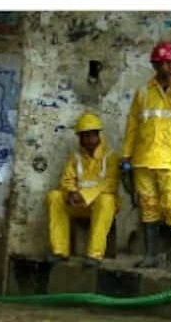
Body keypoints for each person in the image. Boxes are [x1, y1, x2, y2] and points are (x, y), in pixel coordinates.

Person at [121, 41, 171, 273]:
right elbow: (133, 126)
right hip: (144, 158)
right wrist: (126, 156)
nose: (170, 67)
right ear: (155, 65)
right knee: (148, 206)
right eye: (165, 63)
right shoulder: (143, 93)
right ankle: (150, 255)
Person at [46, 112, 121, 268]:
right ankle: (59, 251)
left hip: (99, 206)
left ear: (98, 135)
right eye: (83, 136)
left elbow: (110, 183)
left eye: (90, 136)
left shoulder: (111, 157)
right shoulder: (75, 157)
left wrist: (85, 196)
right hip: (78, 205)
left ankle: (94, 255)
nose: (86, 140)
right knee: (54, 196)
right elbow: (66, 180)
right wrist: (71, 193)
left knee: (107, 200)